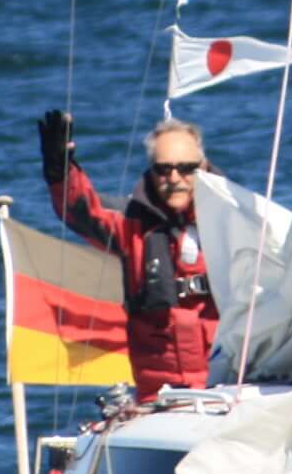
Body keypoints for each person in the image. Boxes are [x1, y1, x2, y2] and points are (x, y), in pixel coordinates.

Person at [37, 109, 218, 399]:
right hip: (159, 394)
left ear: (203, 167)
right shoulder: (129, 223)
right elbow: (81, 209)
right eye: (163, 169)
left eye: (186, 168)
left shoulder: (234, 218)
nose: (175, 178)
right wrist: (60, 169)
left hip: (227, 385)